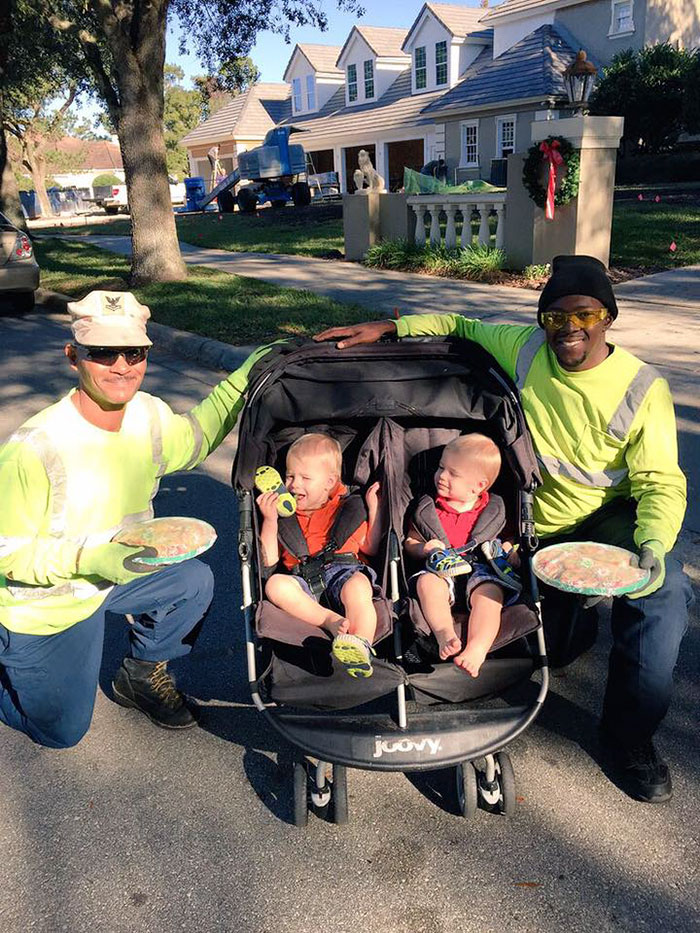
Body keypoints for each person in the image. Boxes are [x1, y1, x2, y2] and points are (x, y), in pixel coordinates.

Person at [315, 254, 691, 804]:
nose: (569, 329)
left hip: (608, 520)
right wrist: (392, 326)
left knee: (664, 592)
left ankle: (628, 737)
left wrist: (653, 545)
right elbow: (459, 323)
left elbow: (662, 481)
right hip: (532, 524)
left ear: (608, 317)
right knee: (553, 643)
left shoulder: (642, 387)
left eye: (584, 315)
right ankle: (569, 623)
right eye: (554, 317)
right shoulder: (527, 348)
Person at [0, 290, 276, 748]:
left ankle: (140, 677)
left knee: (193, 581)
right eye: (104, 352)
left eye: (134, 352)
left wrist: (243, 380)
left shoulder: (146, 413)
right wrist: (92, 558)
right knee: (61, 731)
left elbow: (196, 436)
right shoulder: (34, 447)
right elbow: (6, 553)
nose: (122, 365)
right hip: (49, 602)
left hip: (118, 573)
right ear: (74, 356)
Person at [257, 433, 382, 678]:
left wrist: (374, 507)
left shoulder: (348, 507)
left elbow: (371, 547)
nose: (294, 485)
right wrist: (270, 520)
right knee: (275, 584)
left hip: (343, 573)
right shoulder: (285, 518)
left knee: (359, 587)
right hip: (301, 580)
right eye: (290, 476)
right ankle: (330, 620)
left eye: (305, 478)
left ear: (329, 482)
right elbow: (268, 561)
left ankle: (361, 644)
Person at [405, 434, 520, 677]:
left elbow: (509, 539)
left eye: (453, 474)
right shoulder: (429, 509)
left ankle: (477, 649)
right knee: (426, 583)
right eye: (440, 468)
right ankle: (444, 633)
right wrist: (424, 548)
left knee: (491, 596)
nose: (441, 477)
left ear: (478, 486)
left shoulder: (495, 510)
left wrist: (510, 552)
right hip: (440, 569)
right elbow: (410, 541)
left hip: (481, 570)